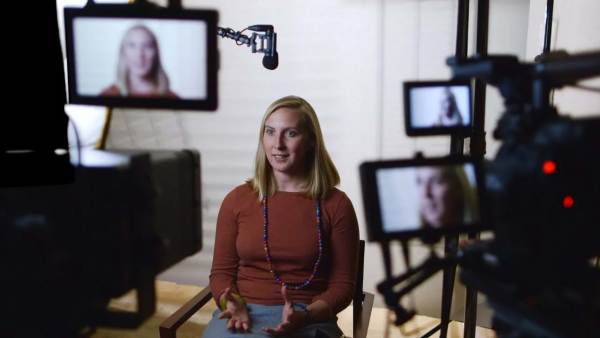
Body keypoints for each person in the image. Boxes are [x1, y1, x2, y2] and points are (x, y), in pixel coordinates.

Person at [203, 96, 360, 338]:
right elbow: (221, 273)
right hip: (242, 315)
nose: (277, 144)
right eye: (270, 132)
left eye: (291, 133)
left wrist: (306, 316)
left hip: (309, 317)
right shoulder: (237, 199)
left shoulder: (336, 205)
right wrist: (230, 304)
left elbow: (342, 287)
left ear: (310, 141)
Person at [100, 24, 178, 98]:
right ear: (123, 53)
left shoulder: (172, 98)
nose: (139, 54)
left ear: (156, 53)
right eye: (132, 46)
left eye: (147, 46)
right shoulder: (108, 95)